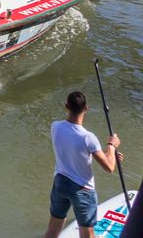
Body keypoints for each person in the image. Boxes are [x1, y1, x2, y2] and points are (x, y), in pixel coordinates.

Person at [43, 90, 120, 238]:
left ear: (66, 106)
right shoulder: (88, 137)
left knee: (52, 231)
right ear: (86, 108)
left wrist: (110, 155)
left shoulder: (55, 127)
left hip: (60, 183)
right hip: (82, 189)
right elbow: (109, 167)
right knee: (87, 235)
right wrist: (112, 146)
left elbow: (76, 151)